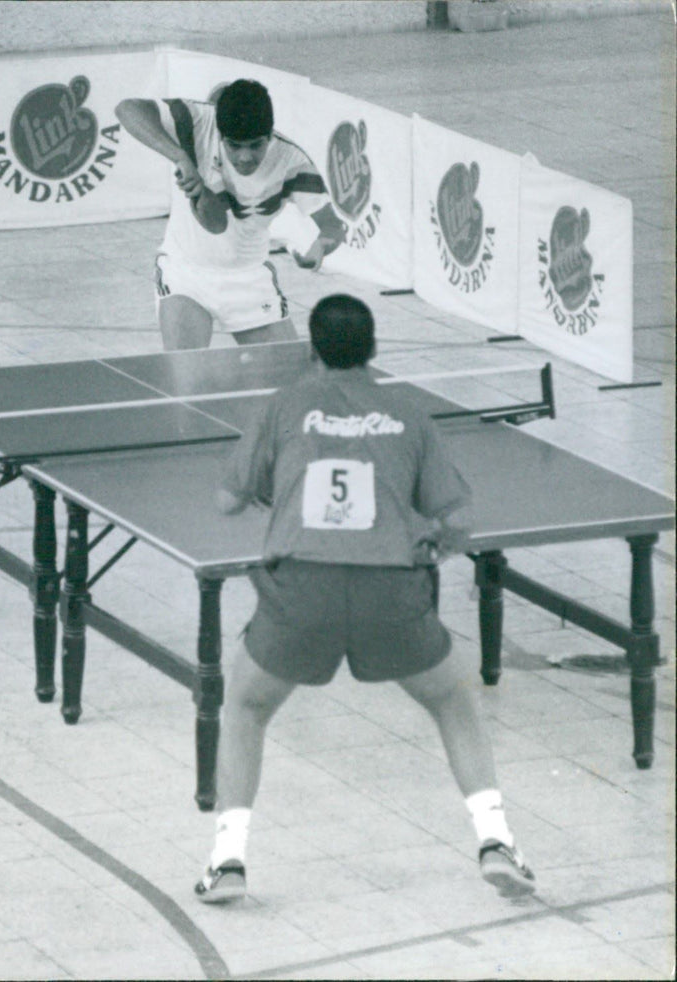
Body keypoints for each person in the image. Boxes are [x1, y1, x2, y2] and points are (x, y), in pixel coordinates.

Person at [195, 294, 536, 903]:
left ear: (312, 351)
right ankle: (496, 842)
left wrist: (274, 487)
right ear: (374, 348)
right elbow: (459, 520)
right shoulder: (407, 414)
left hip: (300, 592)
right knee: (454, 702)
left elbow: (225, 501)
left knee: (246, 709)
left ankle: (227, 862)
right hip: (390, 591)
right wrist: (433, 546)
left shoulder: (284, 405)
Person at [115, 79, 346, 350]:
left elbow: (333, 226)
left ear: (270, 135)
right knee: (187, 382)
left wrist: (319, 248)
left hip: (249, 280)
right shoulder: (197, 122)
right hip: (185, 274)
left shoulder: (292, 161)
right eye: (234, 146)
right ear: (220, 132)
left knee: (288, 379)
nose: (245, 157)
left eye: (255, 146)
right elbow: (127, 109)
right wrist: (179, 156)